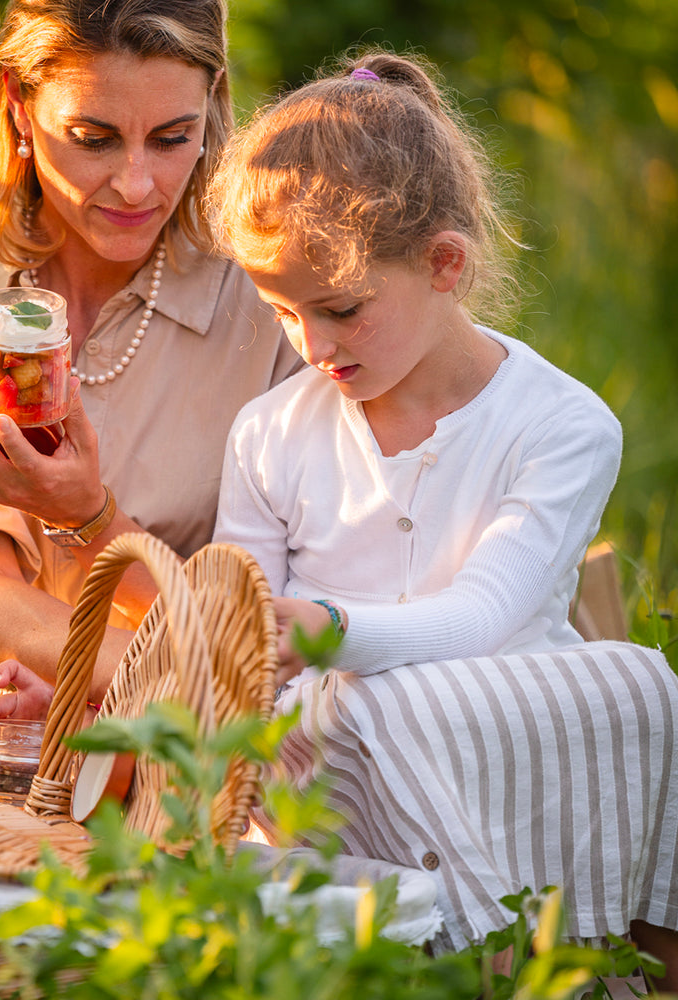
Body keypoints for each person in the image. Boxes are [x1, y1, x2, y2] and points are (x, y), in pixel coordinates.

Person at [204, 50, 678, 981]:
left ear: (446, 264)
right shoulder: (271, 432)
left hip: (502, 738)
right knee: (346, 712)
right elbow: (231, 631)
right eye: (283, 311)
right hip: (333, 767)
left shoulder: (563, 424)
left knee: (644, 690)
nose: (312, 345)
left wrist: (326, 629)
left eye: (340, 308)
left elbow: (483, 620)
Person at [0, 0, 302, 802]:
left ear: (214, 105)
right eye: (92, 139)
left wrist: (90, 521)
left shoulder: (275, 306)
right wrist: (202, 694)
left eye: (172, 137)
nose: (136, 183)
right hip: (8, 755)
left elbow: (303, 604)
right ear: (18, 103)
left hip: (217, 788)